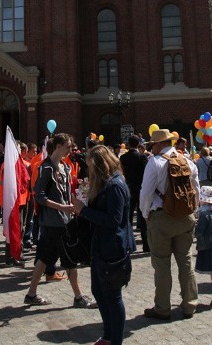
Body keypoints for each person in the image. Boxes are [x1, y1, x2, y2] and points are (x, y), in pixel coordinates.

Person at [72, 145, 135, 345]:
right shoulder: (105, 183)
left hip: (113, 248)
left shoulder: (115, 185)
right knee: (99, 291)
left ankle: (115, 339)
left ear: (100, 165)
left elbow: (114, 220)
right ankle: (108, 335)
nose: (88, 170)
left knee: (113, 296)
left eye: (91, 166)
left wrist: (84, 210)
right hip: (100, 246)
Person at [24, 133, 95, 308]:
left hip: (63, 219)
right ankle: (78, 297)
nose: (71, 149)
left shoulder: (64, 166)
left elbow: (65, 193)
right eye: (68, 146)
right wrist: (62, 207)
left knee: (44, 257)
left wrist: (75, 199)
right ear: (57, 147)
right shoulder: (46, 168)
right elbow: (39, 196)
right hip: (54, 221)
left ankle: (31, 294)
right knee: (69, 258)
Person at [138, 128, 199, 321]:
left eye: (152, 145)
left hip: (162, 217)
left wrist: (145, 214)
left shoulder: (154, 163)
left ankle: (163, 308)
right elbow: (195, 190)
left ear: (158, 144)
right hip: (186, 217)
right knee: (186, 261)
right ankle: (190, 304)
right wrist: (193, 211)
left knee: (162, 264)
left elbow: (146, 193)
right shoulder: (188, 161)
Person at [120, 134, 149, 253]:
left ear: (128, 144)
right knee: (142, 218)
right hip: (141, 189)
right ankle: (146, 245)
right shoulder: (142, 157)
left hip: (127, 189)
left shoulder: (123, 158)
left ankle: (128, 244)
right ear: (138, 144)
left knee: (128, 217)